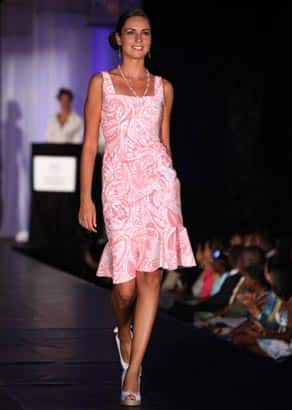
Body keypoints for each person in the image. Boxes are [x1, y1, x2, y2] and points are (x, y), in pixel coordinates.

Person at [78, 8, 196, 406]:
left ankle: (133, 372)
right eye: (130, 32)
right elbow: (90, 144)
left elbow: (164, 144)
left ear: (150, 39)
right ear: (117, 39)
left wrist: (171, 185)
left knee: (151, 280)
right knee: (124, 286)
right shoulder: (102, 84)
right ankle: (123, 330)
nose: (138, 39)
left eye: (144, 33)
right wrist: (85, 197)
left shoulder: (164, 87)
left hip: (159, 185)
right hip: (119, 186)